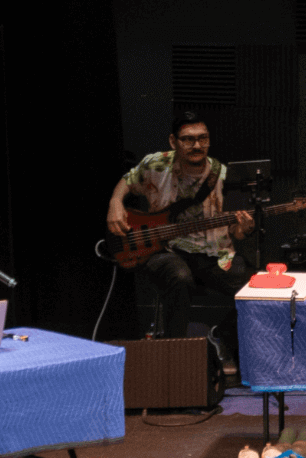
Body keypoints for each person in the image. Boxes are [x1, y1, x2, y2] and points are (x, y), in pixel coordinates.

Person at [106, 111, 253, 364]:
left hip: (214, 254)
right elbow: (128, 181)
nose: (197, 145)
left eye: (203, 138)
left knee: (257, 291)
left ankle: (222, 336)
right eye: (188, 139)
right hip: (164, 249)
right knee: (179, 277)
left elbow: (236, 231)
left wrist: (244, 228)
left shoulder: (223, 176)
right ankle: (176, 360)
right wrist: (115, 202)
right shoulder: (156, 164)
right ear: (173, 141)